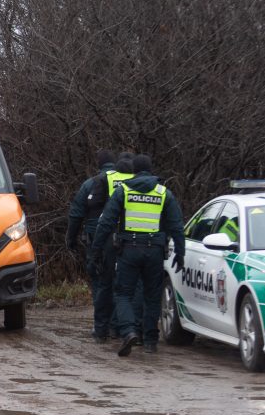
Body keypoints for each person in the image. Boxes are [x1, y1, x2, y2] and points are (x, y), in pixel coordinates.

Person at [88, 154, 185, 356]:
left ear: (133, 171)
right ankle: (150, 341)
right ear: (151, 170)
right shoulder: (164, 193)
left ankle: (129, 331)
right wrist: (180, 253)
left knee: (123, 294)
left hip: (129, 250)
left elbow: (106, 223)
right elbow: (176, 226)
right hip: (155, 251)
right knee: (152, 296)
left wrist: (96, 250)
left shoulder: (123, 191)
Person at [66, 150, 119, 342]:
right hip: (123, 241)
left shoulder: (90, 184)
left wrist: (70, 239)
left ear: (99, 165)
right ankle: (117, 326)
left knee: (100, 283)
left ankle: (101, 328)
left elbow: (76, 214)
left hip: (96, 240)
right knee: (120, 284)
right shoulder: (126, 183)